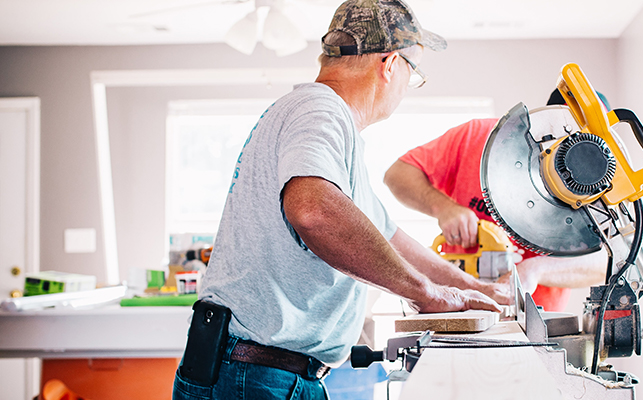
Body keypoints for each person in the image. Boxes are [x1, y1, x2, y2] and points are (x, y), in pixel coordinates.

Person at [174, 1, 511, 399]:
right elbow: (314, 211)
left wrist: (471, 288)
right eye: (413, 73)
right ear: (389, 64)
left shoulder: (322, 123)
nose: (408, 85)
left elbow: (390, 237)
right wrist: (425, 293)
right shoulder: (321, 109)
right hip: (256, 373)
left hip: (260, 369)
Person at [383, 91, 613, 312]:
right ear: (544, 118)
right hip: (456, 304)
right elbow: (397, 175)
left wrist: (536, 269)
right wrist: (443, 207)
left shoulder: (598, 183)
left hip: (536, 319)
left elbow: (607, 261)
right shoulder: (478, 136)